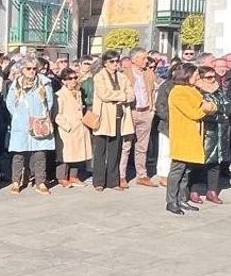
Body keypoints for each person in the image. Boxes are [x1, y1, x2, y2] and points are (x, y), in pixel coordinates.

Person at [165, 64, 217, 215]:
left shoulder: (193, 90)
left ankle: (182, 199)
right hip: (183, 136)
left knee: (186, 171)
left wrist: (208, 106)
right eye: (195, 75)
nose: (198, 78)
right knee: (177, 170)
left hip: (193, 136)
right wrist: (206, 108)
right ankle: (171, 201)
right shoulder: (178, 93)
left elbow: (212, 105)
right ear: (186, 75)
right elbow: (194, 112)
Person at [5, 57, 54, 195]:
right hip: (21, 123)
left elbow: (49, 102)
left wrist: (42, 117)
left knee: (40, 153)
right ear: (22, 70)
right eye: (28, 68)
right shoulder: (16, 83)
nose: (32, 71)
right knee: (19, 153)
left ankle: (40, 182)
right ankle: (16, 181)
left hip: (40, 122)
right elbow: (10, 102)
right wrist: (18, 116)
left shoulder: (44, 82)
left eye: (34, 68)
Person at [90, 50, 134, 191]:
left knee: (116, 150)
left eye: (117, 61)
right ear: (105, 63)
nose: (115, 64)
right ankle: (98, 181)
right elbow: (104, 94)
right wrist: (123, 96)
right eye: (112, 61)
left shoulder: (122, 77)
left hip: (120, 116)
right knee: (100, 151)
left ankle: (113, 181)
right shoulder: (99, 77)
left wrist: (120, 96)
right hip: (104, 117)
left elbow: (132, 95)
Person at [190, 65, 230, 204]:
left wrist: (216, 109)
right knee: (199, 162)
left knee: (215, 163)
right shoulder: (197, 91)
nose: (213, 80)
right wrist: (217, 112)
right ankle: (193, 190)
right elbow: (200, 110)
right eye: (209, 77)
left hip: (220, 131)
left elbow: (229, 105)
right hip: (205, 131)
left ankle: (212, 191)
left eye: (214, 77)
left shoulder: (218, 91)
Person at [119, 48, 158, 188]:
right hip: (131, 112)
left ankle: (142, 175)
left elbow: (152, 91)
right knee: (126, 145)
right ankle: (121, 175)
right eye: (143, 58)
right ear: (134, 60)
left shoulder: (148, 73)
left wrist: (152, 109)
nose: (146, 61)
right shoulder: (124, 73)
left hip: (145, 112)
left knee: (142, 146)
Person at [55, 67, 91, 187]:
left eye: (75, 78)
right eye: (70, 78)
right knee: (65, 154)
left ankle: (73, 176)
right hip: (67, 129)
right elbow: (57, 114)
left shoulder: (79, 92)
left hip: (80, 127)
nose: (73, 80)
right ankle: (62, 177)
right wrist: (67, 126)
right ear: (64, 81)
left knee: (78, 153)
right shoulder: (60, 94)